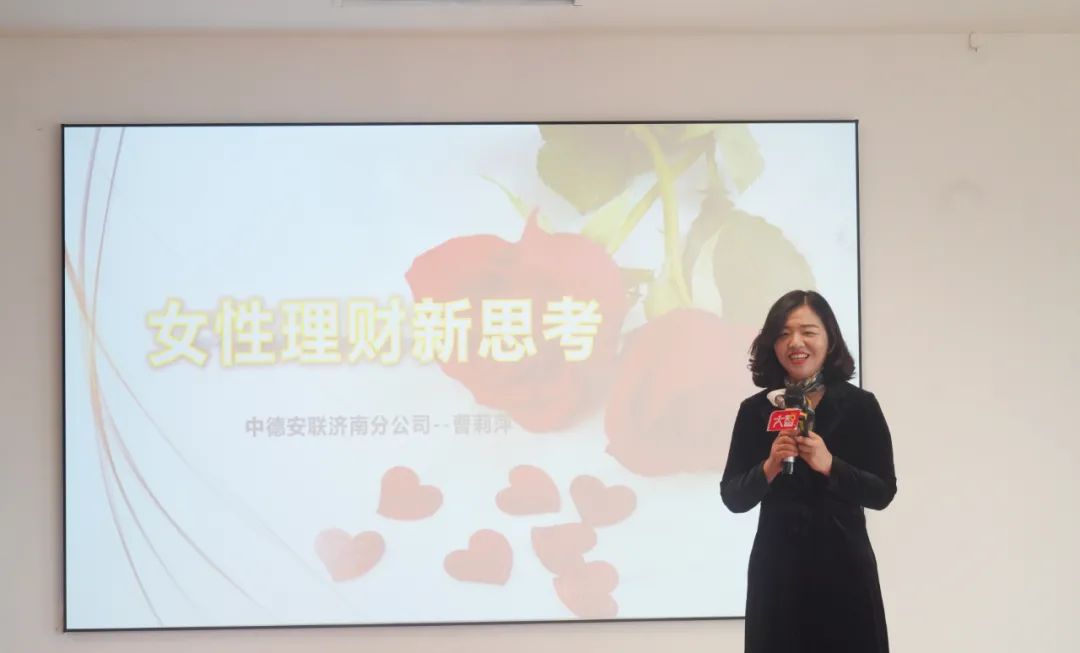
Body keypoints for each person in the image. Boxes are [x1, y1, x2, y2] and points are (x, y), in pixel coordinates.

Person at [721, 290, 896, 653]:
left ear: (829, 339)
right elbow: (733, 496)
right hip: (777, 572)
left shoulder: (859, 406)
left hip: (844, 571)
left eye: (808, 332)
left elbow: (882, 492)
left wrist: (831, 465)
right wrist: (769, 467)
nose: (795, 343)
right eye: (784, 334)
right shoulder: (756, 410)